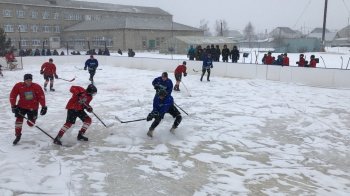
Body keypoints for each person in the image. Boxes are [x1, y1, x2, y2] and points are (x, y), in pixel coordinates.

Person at [9, 74, 47, 145]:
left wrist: (44, 106)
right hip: (21, 106)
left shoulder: (36, 86)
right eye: (27, 80)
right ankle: (18, 135)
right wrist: (13, 106)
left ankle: (30, 121)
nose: (28, 82)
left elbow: (41, 96)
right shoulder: (18, 86)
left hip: (33, 107)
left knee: (31, 124)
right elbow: (13, 95)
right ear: (24, 80)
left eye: (30, 80)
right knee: (18, 121)